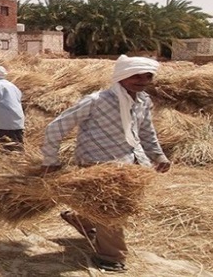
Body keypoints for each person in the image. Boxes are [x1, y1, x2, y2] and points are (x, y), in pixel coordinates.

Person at [41, 55, 172, 272]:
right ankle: (111, 258)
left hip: (132, 164)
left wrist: (159, 156)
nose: (141, 80)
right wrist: (50, 160)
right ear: (121, 76)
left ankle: (80, 218)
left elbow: (146, 132)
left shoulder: (143, 101)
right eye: (135, 75)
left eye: (147, 76)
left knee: (113, 208)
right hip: (97, 164)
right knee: (112, 212)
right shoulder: (95, 100)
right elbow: (56, 127)